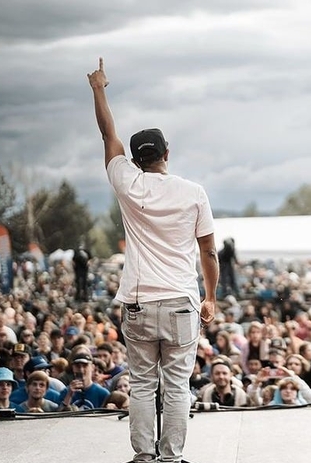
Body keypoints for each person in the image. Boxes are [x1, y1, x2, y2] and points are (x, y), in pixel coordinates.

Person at [89, 57, 219, 463]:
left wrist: (98, 89)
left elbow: (108, 134)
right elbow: (209, 251)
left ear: (136, 158)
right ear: (167, 153)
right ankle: (171, 457)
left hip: (138, 302)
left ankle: (144, 456)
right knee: (177, 385)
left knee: (143, 384)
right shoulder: (194, 192)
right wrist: (210, 296)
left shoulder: (127, 183)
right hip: (181, 300)